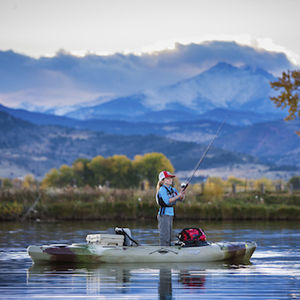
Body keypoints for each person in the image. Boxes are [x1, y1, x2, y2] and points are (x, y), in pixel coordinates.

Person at [156, 171, 185, 246]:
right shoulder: (162, 189)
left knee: (169, 236)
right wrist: (178, 196)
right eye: (167, 178)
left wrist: (182, 192)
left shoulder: (173, 189)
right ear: (162, 181)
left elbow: (181, 199)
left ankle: (168, 250)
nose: (170, 180)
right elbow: (167, 201)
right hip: (164, 215)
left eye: (171, 178)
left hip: (170, 214)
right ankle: (163, 251)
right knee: (164, 236)